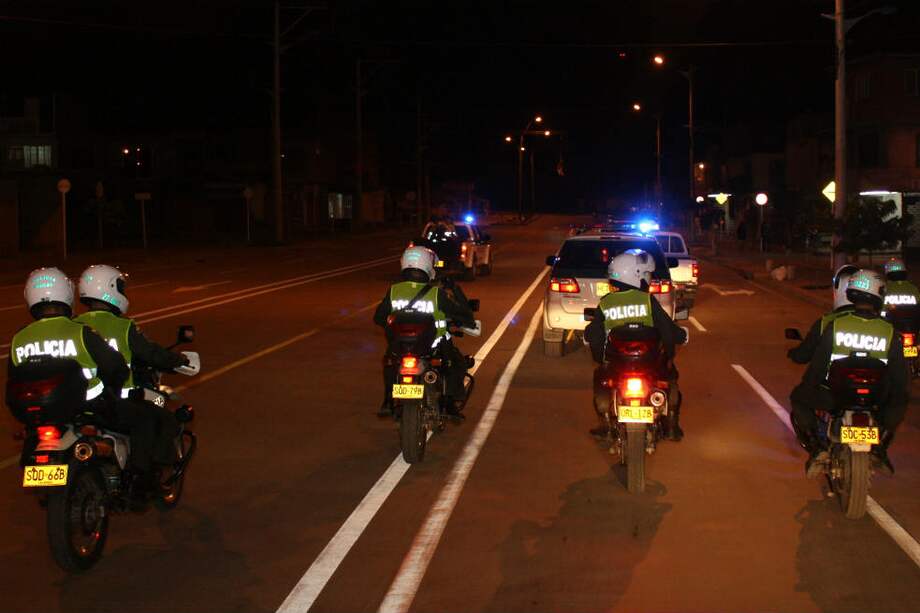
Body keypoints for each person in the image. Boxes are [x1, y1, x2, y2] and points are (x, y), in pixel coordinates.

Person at [8, 268, 158, 484]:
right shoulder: (80, 331)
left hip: (35, 413)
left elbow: (13, 377)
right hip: (86, 406)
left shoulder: (19, 338)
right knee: (143, 419)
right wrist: (114, 388)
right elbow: (114, 366)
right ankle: (140, 479)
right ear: (68, 294)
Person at [789, 269, 907, 477]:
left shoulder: (836, 325)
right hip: (875, 399)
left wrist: (809, 387)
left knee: (798, 398)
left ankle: (817, 449)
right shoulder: (889, 331)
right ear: (879, 294)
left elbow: (818, 366)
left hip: (834, 398)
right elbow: (899, 376)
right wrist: (896, 397)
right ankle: (881, 446)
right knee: (900, 399)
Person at [74, 264, 190, 467]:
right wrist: (179, 360)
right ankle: (141, 474)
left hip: (83, 401)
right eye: (120, 287)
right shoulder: (123, 326)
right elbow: (151, 353)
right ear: (110, 288)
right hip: (124, 398)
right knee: (163, 414)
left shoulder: (74, 325)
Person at [585, 249, 689, 441]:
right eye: (647, 274)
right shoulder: (647, 301)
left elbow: (595, 335)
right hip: (649, 363)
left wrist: (600, 360)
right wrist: (676, 342)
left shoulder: (606, 303)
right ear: (637, 277)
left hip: (618, 365)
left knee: (599, 377)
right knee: (671, 378)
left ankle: (606, 424)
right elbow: (667, 329)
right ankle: (672, 425)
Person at [374, 246, 476, 418]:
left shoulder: (394, 291)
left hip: (401, 347)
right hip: (433, 346)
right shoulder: (436, 294)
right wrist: (456, 289)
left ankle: (388, 401)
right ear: (429, 266)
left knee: (390, 362)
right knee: (457, 363)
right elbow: (463, 313)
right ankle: (449, 403)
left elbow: (378, 318)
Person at [788, 264, 859, 364]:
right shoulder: (885, 327)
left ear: (837, 291)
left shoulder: (825, 323)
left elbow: (802, 356)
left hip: (834, 379)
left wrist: (793, 353)